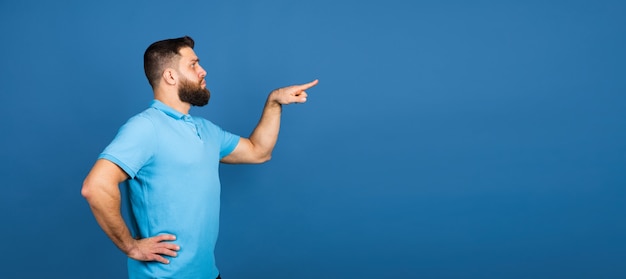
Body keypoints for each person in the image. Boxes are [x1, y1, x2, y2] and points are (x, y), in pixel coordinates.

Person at [81, 35, 318, 279]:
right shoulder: (146, 127)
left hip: (208, 273)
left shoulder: (205, 129)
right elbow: (96, 186)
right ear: (170, 76)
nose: (203, 71)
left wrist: (274, 102)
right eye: (193, 64)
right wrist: (130, 246)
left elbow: (259, 151)